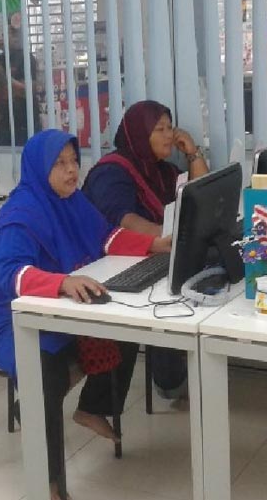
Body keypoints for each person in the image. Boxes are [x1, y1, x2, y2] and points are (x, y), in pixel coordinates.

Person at [0, 129, 170, 500]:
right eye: (60, 163)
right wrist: (62, 282)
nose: (71, 170)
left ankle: (91, 406)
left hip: (56, 308)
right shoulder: (20, 215)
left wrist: (153, 244)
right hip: (7, 321)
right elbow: (13, 275)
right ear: (39, 168)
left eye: (74, 161)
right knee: (45, 374)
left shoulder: (72, 200)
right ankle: (47, 480)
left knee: (125, 326)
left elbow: (107, 237)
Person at [83, 100, 207, 401]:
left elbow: (201, 194)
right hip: (111, 262)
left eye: (170, 127)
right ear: (139, 134)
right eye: (159, 129)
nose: (169, 135)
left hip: (147, 253)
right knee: (167, 295)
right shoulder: (111, 171)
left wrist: (193, 153)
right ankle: (170, 379)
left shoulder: (160, 170)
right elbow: (123, 219)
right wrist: (168, 238)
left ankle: (179, 371)